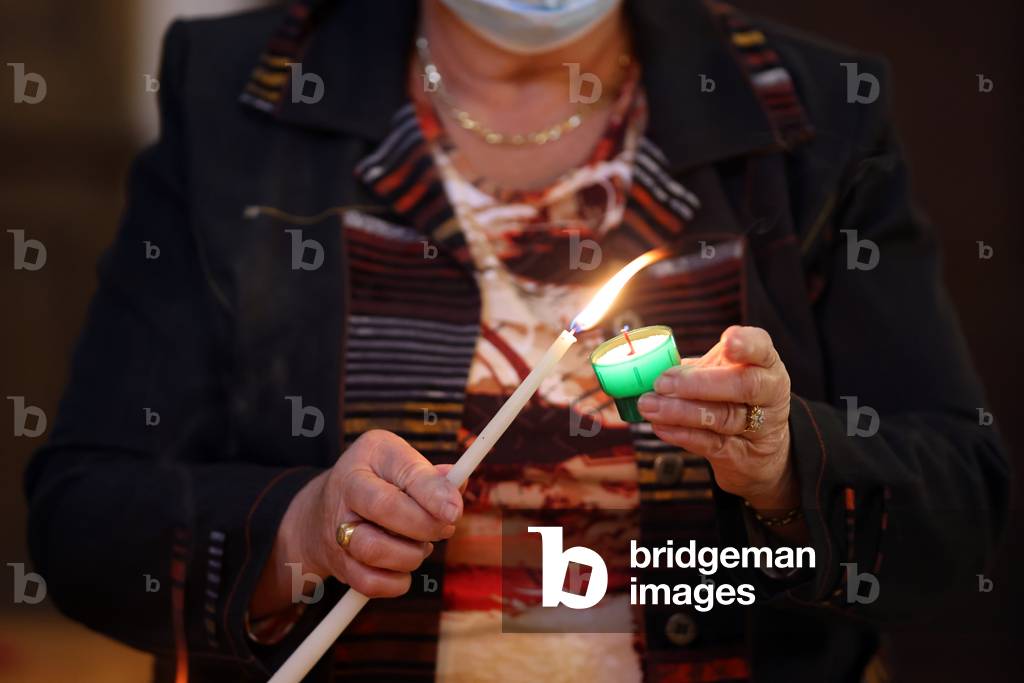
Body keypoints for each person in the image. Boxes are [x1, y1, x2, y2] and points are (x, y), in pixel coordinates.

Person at [25, 0, 1008, 681]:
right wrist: (301, 526)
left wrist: (788, 458)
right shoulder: (240, 95)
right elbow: (85, 512)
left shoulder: (813, 115)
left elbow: (956, 502)